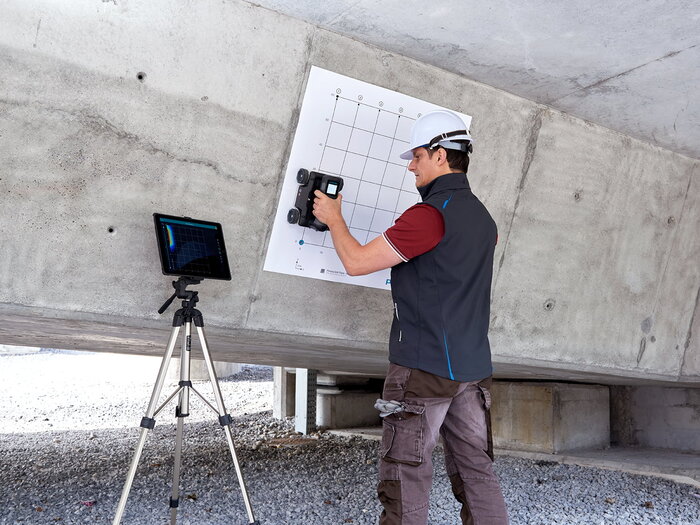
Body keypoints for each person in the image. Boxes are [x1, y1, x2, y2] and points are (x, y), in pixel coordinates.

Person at [313, 109, 509, 525]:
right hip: (472, 370)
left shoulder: (428, 216)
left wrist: (334, 219)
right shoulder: (483, 218)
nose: (411, 166)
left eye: (417, 156)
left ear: (441, 156)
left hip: (423, 369)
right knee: (477, 472)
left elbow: (356, 261)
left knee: (406, 474)